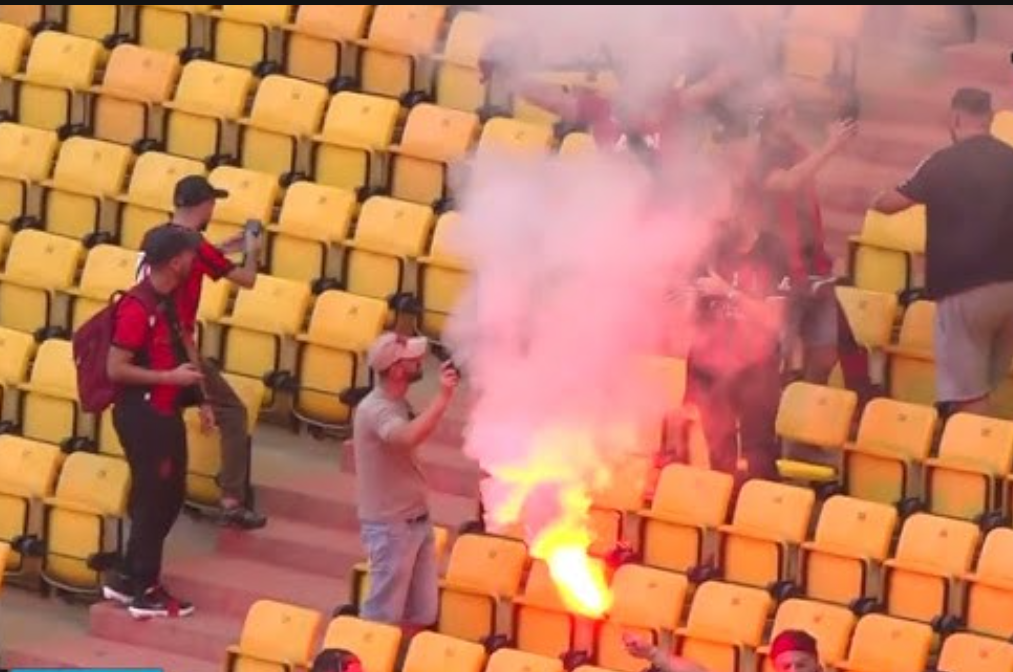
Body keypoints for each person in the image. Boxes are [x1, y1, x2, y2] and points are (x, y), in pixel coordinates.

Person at [872, 87, 1013, 417]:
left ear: (955, 118)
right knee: (988, 382)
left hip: (964, 291)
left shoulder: (942, 163)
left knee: (969, 393)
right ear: (990, 119)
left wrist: (876, 193)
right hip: (1010, 288)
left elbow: (889, 205)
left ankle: (973, 463)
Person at [137, 175, 266, 529]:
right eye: (212, 203)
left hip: (146, 345)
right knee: (233, 413)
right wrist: (252, 251)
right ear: (204, 205)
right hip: (178, 347)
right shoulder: (196, 244)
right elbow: (248, 280)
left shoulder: (161, 237)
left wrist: (222, 248)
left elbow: (196, 259)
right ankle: (231, 500)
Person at [102, 225, 205, 618]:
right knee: (156, 500)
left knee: (163, 496)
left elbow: (177, 348)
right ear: (176, 260)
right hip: (144, 416)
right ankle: (145, 587)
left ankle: (127, 577)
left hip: (163, 412)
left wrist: (199, 399)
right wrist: (169, 380)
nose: (194, 260)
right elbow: (116, 368)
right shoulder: (137, 307)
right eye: (189, 255)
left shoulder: (166, 301)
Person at [753, 90, 873, 399]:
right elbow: (788, 183)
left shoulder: (798, 150)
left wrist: (838, 140)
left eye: (792, 109)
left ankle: (803, 422)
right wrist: (831, 146)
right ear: (767, 121)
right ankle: (774, 425)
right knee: (776, 356)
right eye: (784, 111)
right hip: (778, 270)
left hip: (814, 267)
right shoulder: (761, 158)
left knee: (825, 356)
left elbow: (814, 182)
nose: (792, 116)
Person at [354, 333, 460, 636]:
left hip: (415, 520)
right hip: (391, 527)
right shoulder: (375, 409)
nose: (419, 361)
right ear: (397, 370)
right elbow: (406, 437)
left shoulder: (395, 402)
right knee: (381, 619)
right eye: (412, 359)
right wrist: (443, 398)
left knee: (422, 614)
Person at [684, 190, 790, 482]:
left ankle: (761, 518)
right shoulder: (709, 249)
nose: (718, 221)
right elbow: (689, 315)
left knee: (760, 454)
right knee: (718, 452)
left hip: (756, 368)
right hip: (709, 367)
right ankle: (725, 516)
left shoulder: (772, 251)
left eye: (725, 212)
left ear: (746, 209)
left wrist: (728, 293)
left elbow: (773, 319)